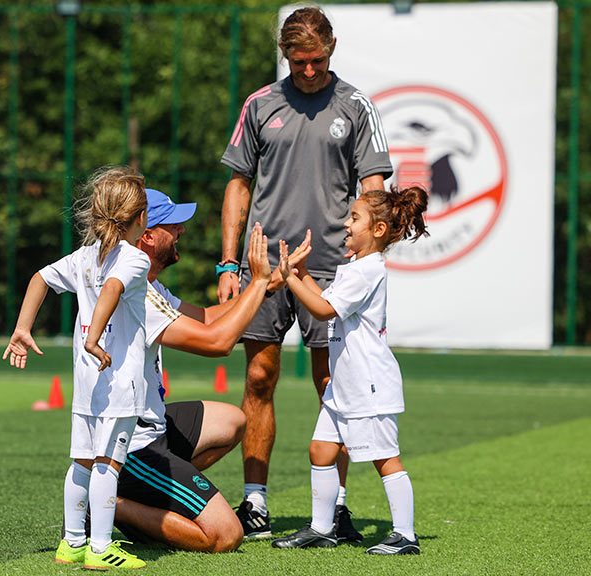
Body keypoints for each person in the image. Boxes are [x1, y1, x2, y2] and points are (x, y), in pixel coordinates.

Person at [217, 6, 393, 541]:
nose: (309, 71)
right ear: (284, 55)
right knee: (258, 378)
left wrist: (363, 258)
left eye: (316, 60)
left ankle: (335, 508)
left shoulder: (357, 105)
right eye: (298, 62)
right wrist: (229, 261)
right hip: (265, 265)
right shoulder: (261, 104)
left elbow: (375, 189)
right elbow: (239, 185)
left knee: (330, 384)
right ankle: (255, 502)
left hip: (332, 269)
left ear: (332, 48)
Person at [110, 188, 310, 553]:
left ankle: (142, 497)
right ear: (149, 235)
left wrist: (269, 285)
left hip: (146, 424)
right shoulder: (134, 292)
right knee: (225, 535)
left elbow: (205, 317)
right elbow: (215, 342)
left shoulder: (144, 281)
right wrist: (260, 282)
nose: (182, 230)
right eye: (174, 224)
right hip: (131, 445)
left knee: (232, 420)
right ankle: (108, 505)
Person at [3, 166, 151, 569]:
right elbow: (113, 289)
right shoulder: (135, 258)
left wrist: (22, 328)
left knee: (82, 461)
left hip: (87, 382)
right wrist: (93, 337)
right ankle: (101, 548)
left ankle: (71, 543)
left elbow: (40, 278)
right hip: (118, 379)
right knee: (108, 463)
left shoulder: (84, 257)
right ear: (140, 217)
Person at [271, 186, 428, 555]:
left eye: (354, 218)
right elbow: (326, 301)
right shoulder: (356, 268)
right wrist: (305, 274)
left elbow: (324, 312)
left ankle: (405, 535)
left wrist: (289, 277)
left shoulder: (368, 270)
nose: (346, 223)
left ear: (377, 230)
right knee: (321, 450)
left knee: (384, 457)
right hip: (344, 385)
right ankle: (322, 528)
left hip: (368, 384)